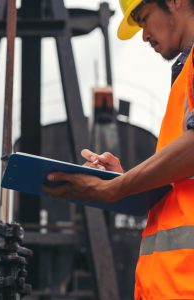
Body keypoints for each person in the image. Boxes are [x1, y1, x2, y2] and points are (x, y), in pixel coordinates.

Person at [42, 0, 194, 299]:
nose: (144, 35)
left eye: (144, 18)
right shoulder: (184, 75)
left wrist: (118, 188)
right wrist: (127, 181)